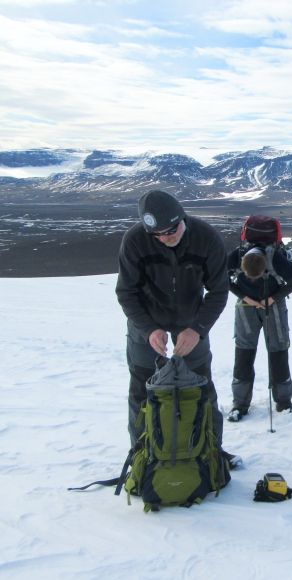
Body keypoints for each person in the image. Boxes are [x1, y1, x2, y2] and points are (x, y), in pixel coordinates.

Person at [116, 190, 229, 447]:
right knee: (142, 393)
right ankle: (142, 457)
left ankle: (211, 454)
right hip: (145, 329)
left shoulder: (206, 238)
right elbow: (126, 292)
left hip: (192, 326)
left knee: (202, 390)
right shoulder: (135, 241)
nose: (166, 238)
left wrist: (198, 329)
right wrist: (149, 330)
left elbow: (219, 290)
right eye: (157, 235)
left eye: (171, 231)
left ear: (182, 219)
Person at [226, 241, 292, 421]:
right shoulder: (237, 256)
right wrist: (246, 297)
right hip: (246, 306)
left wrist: (273, 299)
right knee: (244, 352)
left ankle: (283, 402)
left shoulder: (275, 258)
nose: (253, 280)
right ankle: (239, 404)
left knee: (278, 351)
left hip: (273, 307)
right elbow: (220, 278)